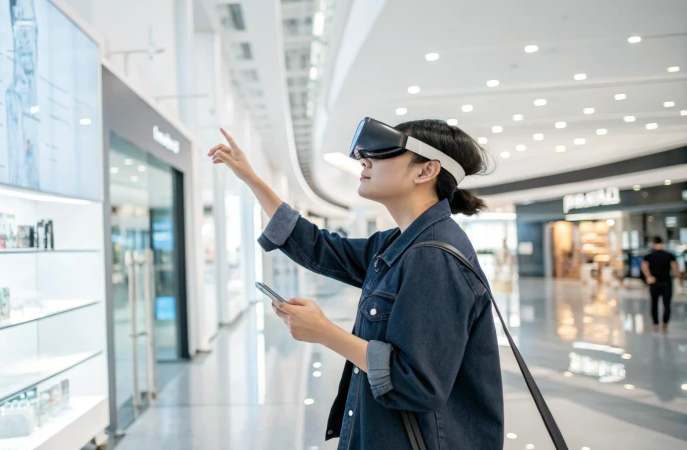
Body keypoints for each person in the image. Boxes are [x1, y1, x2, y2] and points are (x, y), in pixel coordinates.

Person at [208, 118, 503, 449]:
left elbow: (417, 384)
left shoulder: (434, 256)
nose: (364, 160)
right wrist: (251, 178)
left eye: (381, 152)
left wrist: (326, 332)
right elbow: (320, 247)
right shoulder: (398, 243)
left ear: (425, 171)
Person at [642, 236, 683, 333]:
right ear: (662, 243)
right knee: (667, 304)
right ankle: (664, 325)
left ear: (653, 243)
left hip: (654, 283)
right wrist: (680, 280)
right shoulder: (669, 255)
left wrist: (649, 276)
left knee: (654, 304)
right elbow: (675, 268)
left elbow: (644, 266)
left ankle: (655, 325)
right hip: (666, 283)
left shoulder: (649, 256)